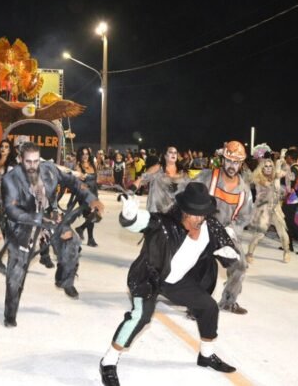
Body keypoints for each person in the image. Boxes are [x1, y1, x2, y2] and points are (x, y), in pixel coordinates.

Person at [99, 183, 239, 386]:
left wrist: (230, 252)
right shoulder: (164, 224)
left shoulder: (211, 226)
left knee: (208, 306)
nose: (199, 219)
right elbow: (142, 221)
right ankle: (108, 361)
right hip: (150, 277)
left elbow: (227, 250)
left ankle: (206, 355)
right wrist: (129, 216)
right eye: (194, 214)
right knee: (140, 317)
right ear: (183, 211)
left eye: (203, 214)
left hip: (177, 280)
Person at [0, 142, 104, 327]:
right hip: (21, 224)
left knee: (72, 242)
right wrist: (43, 221)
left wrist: (91, 199)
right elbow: (12, 211)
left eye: (36, 161)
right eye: (28, 162)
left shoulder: (49, 169)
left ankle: (64, 280)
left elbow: (73, 181)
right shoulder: (10, 179)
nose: (32, 166)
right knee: (16, 272)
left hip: (47, 217)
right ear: (20, 160)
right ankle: (10, 314)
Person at [193, 141, 253, 314]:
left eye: (236, 162)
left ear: (241, 164)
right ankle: (195, 303)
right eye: (229, 161)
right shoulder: (207, 177)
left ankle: (228, 301)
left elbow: (246, 216)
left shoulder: (244, 190)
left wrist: (232, 230)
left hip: (226, 232)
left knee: (240, 265)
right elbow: (187, 193)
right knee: (200, 264)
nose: (232, 166)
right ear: (223, 160)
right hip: (202, 228)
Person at [246, 158, 291, 263]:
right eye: (266, 166)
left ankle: (287, 252)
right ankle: (250, 253)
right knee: (260, 234)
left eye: (270, 166)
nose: (268, 168)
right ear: (262, 168)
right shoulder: (258, 178)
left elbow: (287, 172)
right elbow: (272, 186)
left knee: (282, 232)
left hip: (275, 207)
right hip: (263, 208)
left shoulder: (275, 176)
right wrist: (278, 169)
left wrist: (283, 162)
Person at [134, 146, 190, 214]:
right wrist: (130, 191)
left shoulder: (182, 172)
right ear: (165, 156)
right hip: (157, 212)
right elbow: (141, 179)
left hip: (176, 212)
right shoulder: (157, 168)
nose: (173, 154)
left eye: (175, 153)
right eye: (170, 152)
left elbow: (189, 189)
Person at [70, 147, 100, 247]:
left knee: (96, 215)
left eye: (86, 154)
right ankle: (90, 239)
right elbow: (78, 181)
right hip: (85, 194)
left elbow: (96, 179)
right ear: (80, 155)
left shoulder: (93, 164)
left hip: (94, 192)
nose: (85, 156)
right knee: (91, 214)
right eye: (83, 154)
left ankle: (81, 229)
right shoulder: (78, 166)